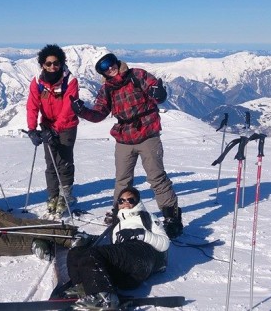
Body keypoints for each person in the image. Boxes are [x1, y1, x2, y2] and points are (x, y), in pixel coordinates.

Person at [70, 52, 184, 239]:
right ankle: (121, 213)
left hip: (147, 134)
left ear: (116, 61)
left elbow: (155, 90)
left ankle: (172, 218)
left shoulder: (137, 75)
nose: (109, 68)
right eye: (103, 68)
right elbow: (99, 114)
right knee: (122, 180)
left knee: (156, 178)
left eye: (110, 63)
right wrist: (81, 111)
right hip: (124, 138)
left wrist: (159, 93)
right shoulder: (107, 89)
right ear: (102, 73)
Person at [66, 187, 169, 309]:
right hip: (126, 276)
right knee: (76, 252)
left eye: (130, 200)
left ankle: (104, 298)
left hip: (142, 255)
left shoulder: (146, 217)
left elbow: (165, 243)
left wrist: (139, 233)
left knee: (93, 254)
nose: (125, 203)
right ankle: (83, 286)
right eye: (121, 201)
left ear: (138, 202)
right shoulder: (116, 226)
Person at [26, 44, 79, 220]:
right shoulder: (37, 81)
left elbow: (68, 109)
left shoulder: (69, 81)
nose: (52, 67)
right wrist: (32, 129)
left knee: (63, 161)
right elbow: (32, 105)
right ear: (42, 64)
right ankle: (53, 196)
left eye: (56, 63)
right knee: (51, 163)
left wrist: (56, 129)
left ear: (61, 63)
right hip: (47, 125)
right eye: (48, 63)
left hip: (66, 126)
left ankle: (66, 196)